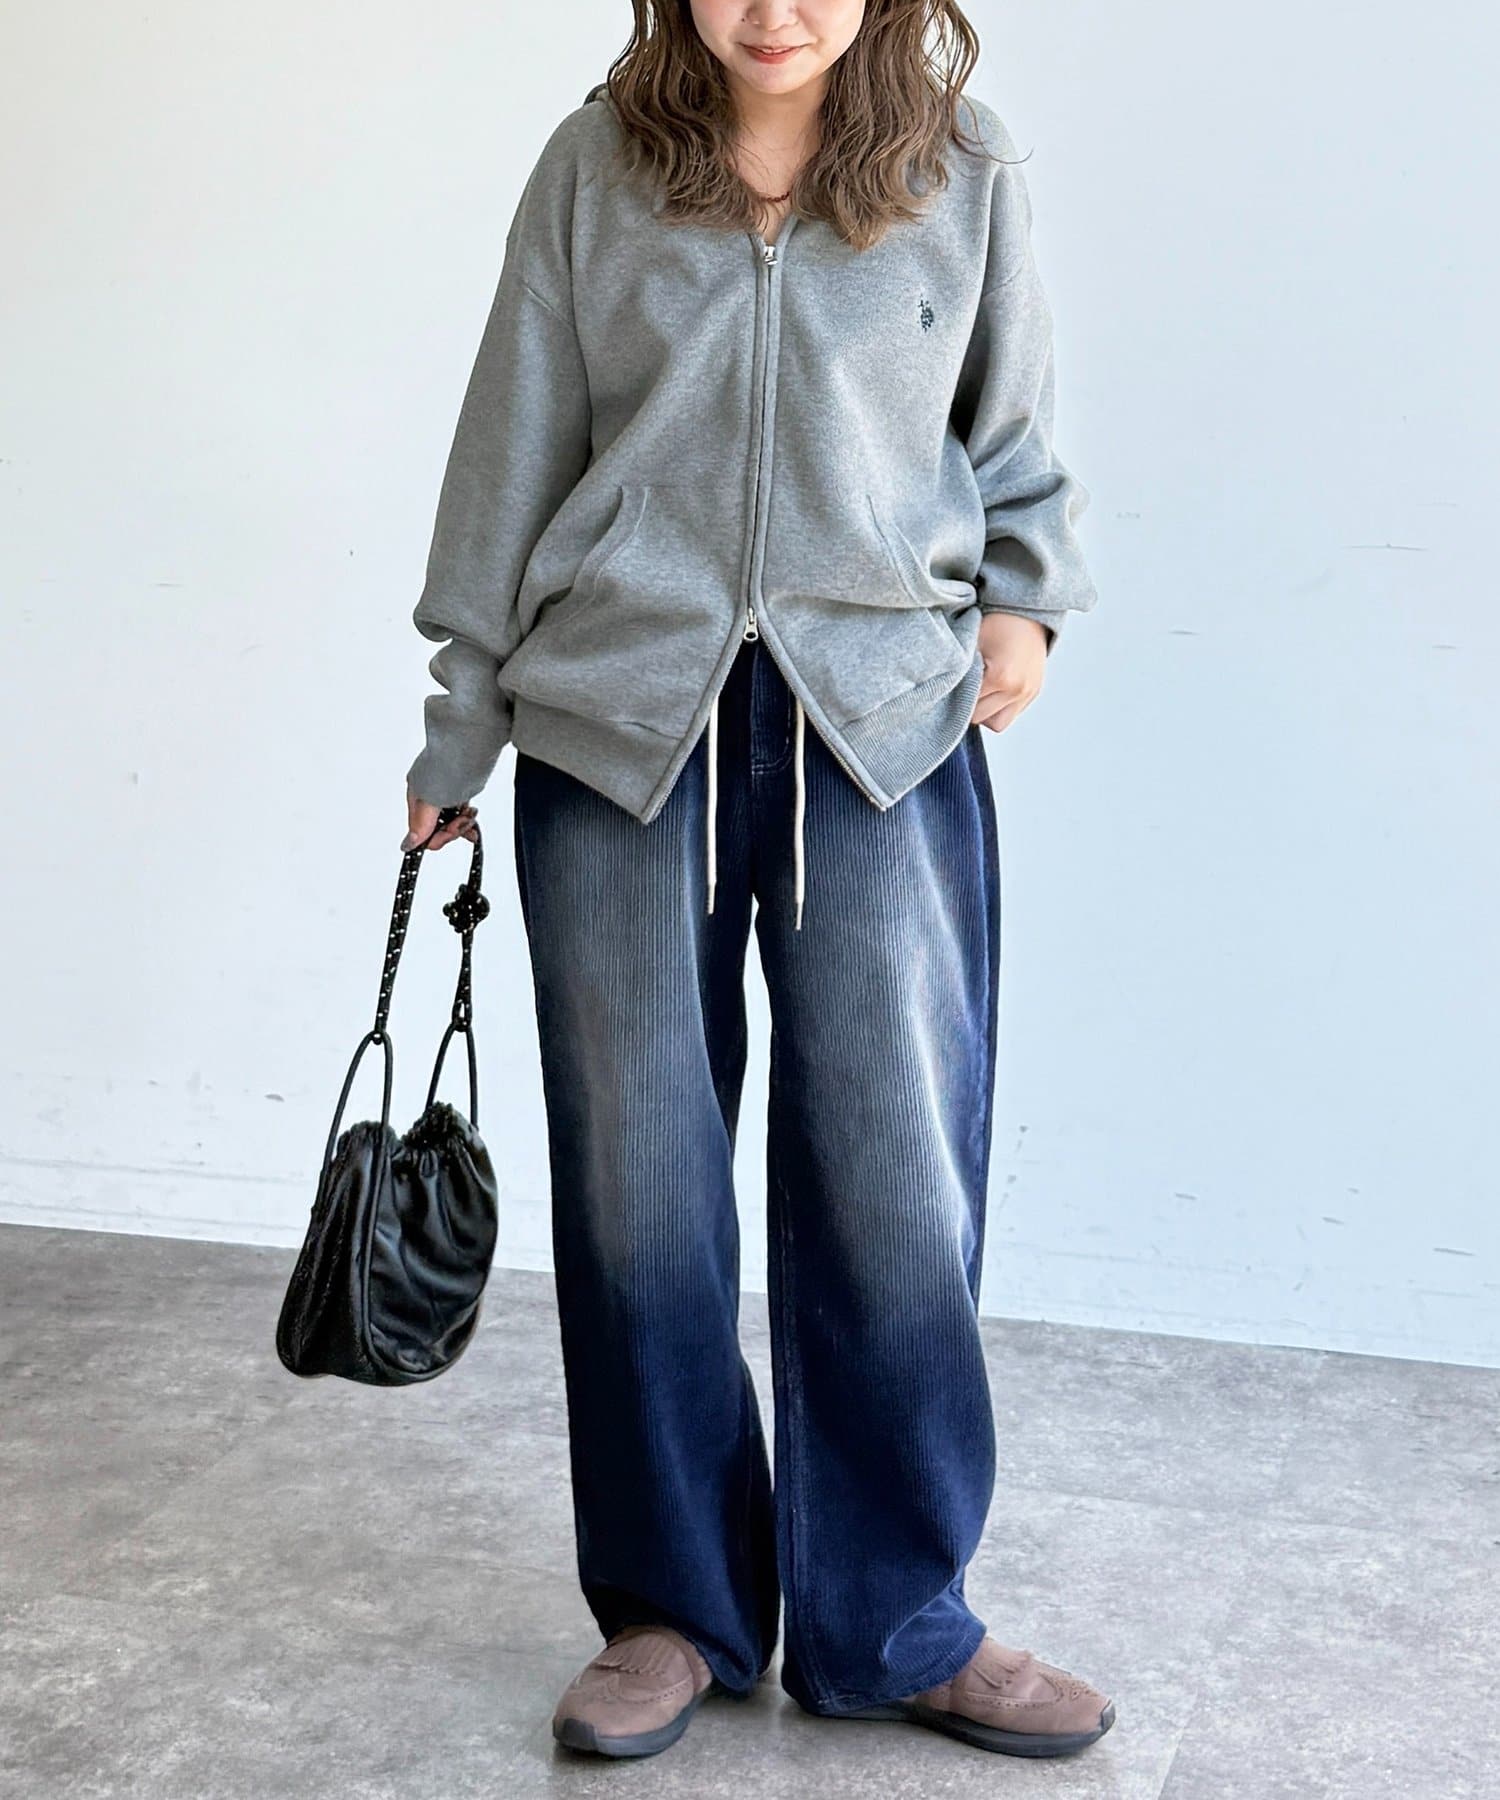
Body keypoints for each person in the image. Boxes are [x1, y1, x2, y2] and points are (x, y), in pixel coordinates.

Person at [401, 0, 1111, 1766]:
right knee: (639, 1193)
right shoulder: (595, 168)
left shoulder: (965, 168)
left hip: (883, 729)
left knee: (895, 1184)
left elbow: (1012, 429)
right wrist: (458, 726)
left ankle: (899, 1619)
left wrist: (1022, 601)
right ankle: (671, 1610)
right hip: (617, 726)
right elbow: (510, 444)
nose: (773, 11)